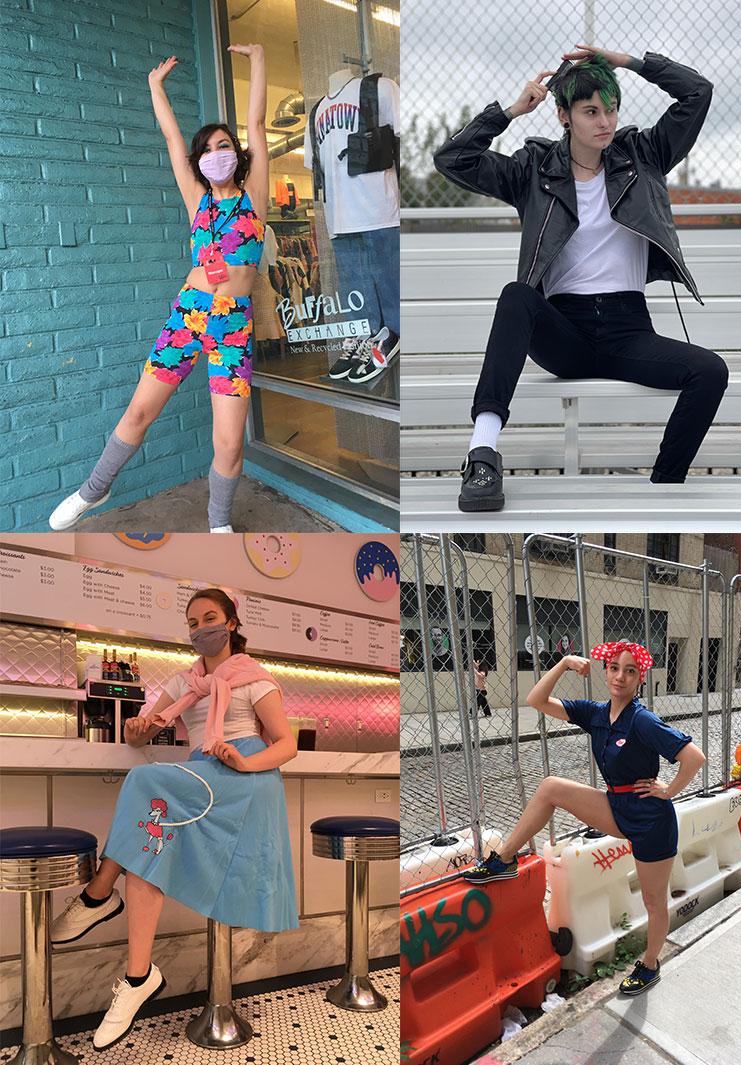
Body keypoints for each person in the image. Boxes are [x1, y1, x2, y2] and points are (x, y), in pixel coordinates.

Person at [433, 46, 728, 511]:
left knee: (711, 371)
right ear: (563, 116)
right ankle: (482, 455)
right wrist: (509, 112)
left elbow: (697, 92)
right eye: (591, 111)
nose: (604, 121)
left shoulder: (643, 155)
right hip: (564, 334)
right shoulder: (533, 170)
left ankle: (665, 486)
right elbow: (452, 159)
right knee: (516, 296)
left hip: (628, 332)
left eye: (611, 109)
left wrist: (628, 61)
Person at [50, 588, 298, 1050]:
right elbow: (146, 723)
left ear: (230, 623)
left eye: (209, 617)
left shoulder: (253, 677)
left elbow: (286, 744)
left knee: (144, 783)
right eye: (191, 622)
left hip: (243, 779)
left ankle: (98, 895)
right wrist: (137, 727)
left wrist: (245, 763)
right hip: (206, 773)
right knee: (149, 850)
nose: (199, 627)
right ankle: (137, 976)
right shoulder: (185, 683)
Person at [49, 45, 269, 533]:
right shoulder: (197, 201)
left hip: (233, 322)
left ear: (238, 153)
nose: (217, 155)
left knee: (230, 443)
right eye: (208, 149)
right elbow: (172, 138)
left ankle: (218, 524)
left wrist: (256, 61)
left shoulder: (255, 199)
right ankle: (94, 488)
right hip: (189, 313)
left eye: (224, 146)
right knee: (140, 410)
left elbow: (257, 124)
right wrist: (155, 86)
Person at [462, 640, 706, 996]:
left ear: (640, 678)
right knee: (550, 787)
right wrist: (562, 664)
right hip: (616, 807)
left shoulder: (642, 720)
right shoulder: (595, 713)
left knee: (654, 901)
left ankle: (650, 964)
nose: (620, 676)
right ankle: (504, 859)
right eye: (614, 668)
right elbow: (537, 701)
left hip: (652, 822)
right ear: (605, 670)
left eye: (630, 671)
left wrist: (667, 792)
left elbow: (694, 758)